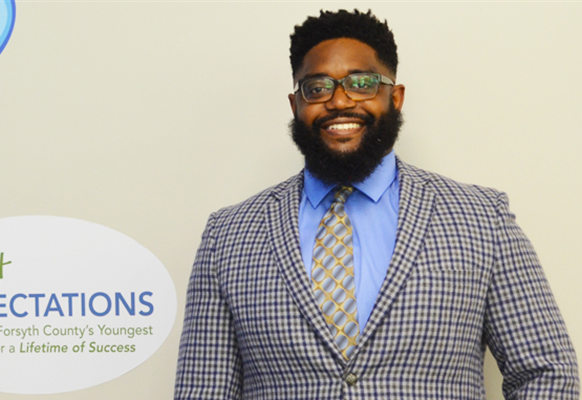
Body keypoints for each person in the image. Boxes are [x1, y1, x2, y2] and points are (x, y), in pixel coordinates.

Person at [174, 9, 579, 399]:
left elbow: (546, 374)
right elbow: (203, 391)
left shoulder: (481, 218)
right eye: (317, 88)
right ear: (296, 105)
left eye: (362, 83)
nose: (339, 101)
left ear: (395, 97)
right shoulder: (228, 235)